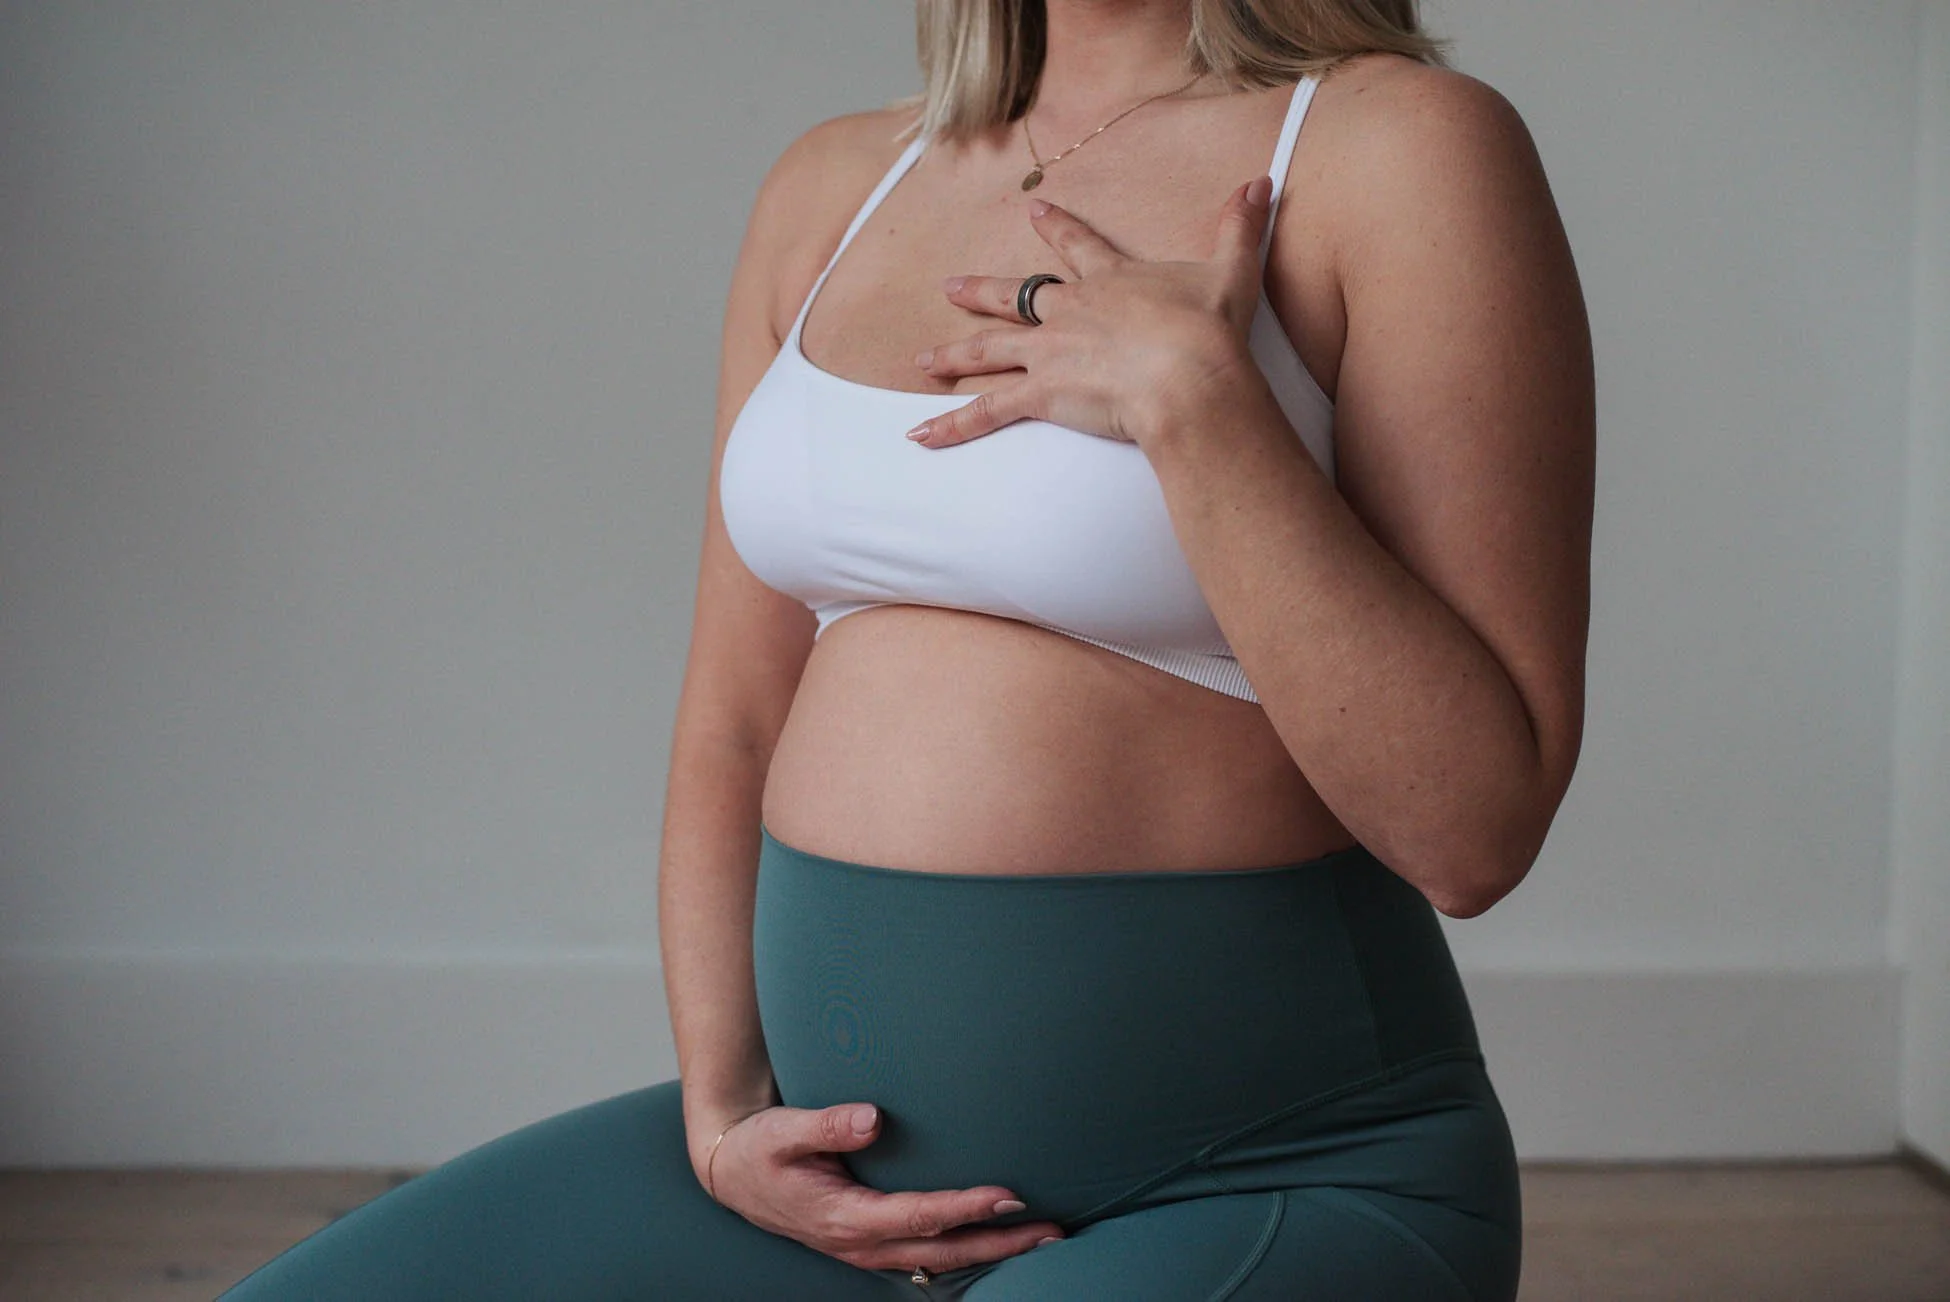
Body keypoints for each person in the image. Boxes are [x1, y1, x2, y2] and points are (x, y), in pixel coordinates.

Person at [222, 0, 1593, 1297]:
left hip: (1266, 1181)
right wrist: (722, 1117)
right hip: (832, 1200)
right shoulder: (830, 183)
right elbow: (735, 715)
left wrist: (1200, 409)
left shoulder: (1397, 147)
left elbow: (1473, 832)